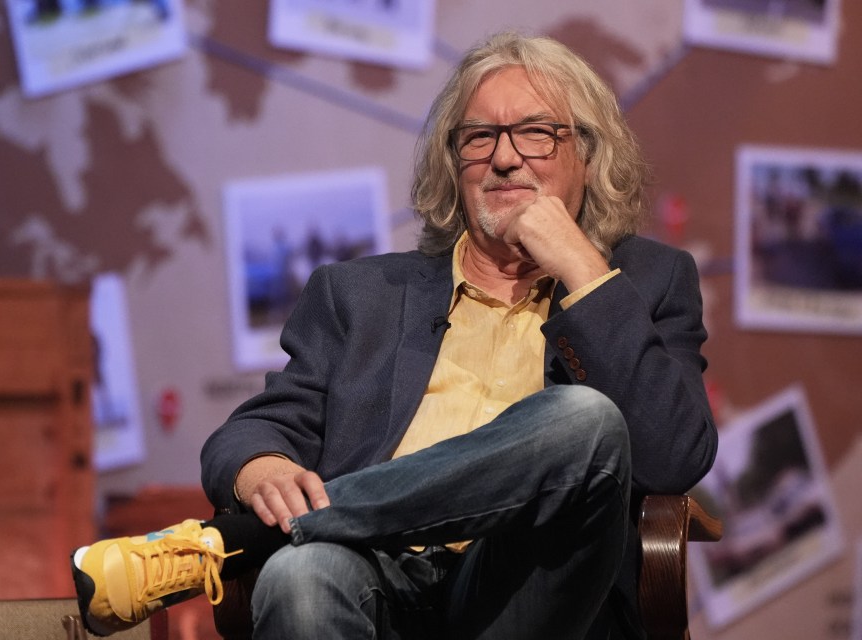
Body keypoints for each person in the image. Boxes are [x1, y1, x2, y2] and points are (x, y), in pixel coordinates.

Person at [71, 31, 718, 639]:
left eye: (536, 134)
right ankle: (288, 537)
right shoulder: (360, 295)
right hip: (371, 573)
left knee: (584, 422)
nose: (503, 156)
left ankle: (243, 541)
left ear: (588, 152)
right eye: (479, 136)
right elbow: (250, 431)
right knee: (300, 577)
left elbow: (675, 456)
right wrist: (258, 465)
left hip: (529, 588)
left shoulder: (647, 282)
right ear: (453, 161)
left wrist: (581, 267)